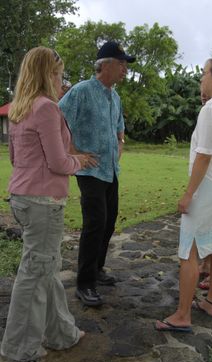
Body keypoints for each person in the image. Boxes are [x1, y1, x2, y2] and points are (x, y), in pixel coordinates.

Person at [1, 46, 98, 362]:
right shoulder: (46, 108)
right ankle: (18, 346)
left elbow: (15, 158)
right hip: (43, 202)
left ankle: (61, 333)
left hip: (22, 198)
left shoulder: (19, 108)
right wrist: (78, 161)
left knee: (46, 267)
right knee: (35, 271)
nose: (62, 80)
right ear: (47, 73)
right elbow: (58, 163)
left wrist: (68, 159)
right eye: (58, 74)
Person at [155, 57, 212, 332]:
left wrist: (188, 193)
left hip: (207, 189)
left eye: (205, 73)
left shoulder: (211, 110)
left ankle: (183, 315)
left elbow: (203, 156)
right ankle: (211, 301)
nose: (201, 78)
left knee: (189, 252)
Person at [59, 41, 136, 307]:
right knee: (95, 223)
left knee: (109, 221)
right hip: (89, 171)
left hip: (111, 170)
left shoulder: (115, 96)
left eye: (126, 64)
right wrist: (74, 153)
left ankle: (98, 269)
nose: (125, 69)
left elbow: (119, 130)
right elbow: (59, 121)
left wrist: (120, 146)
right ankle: (84, 283)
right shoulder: (81, 90)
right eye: (122, 63)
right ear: (105, 65)